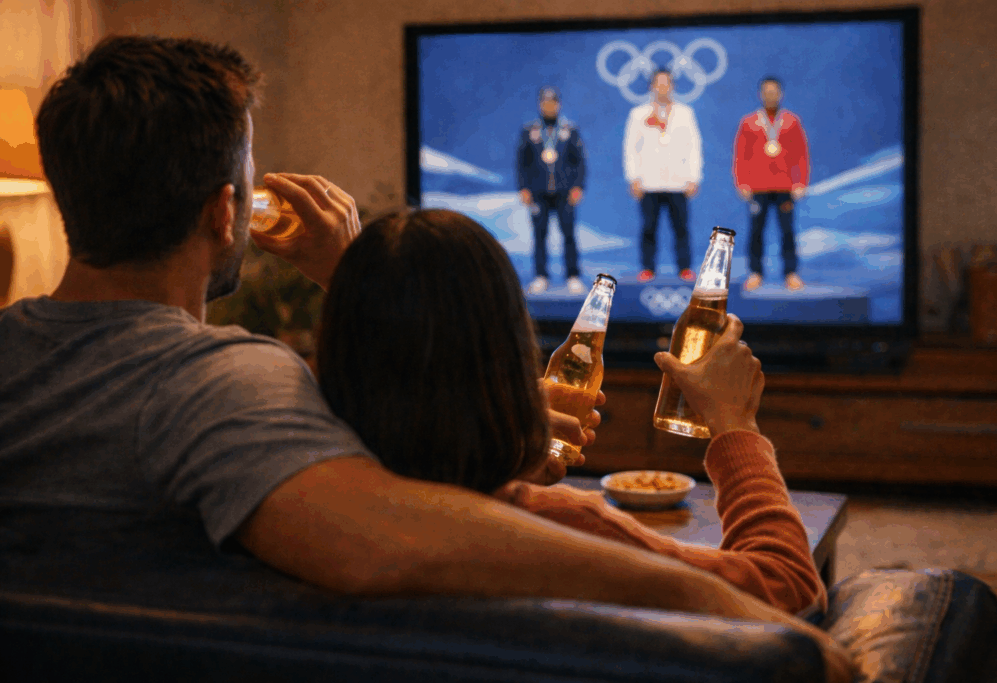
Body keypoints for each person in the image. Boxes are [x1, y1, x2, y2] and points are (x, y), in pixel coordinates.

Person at [0, 35, 854, 683]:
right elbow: (396, 540)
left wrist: (364, 278)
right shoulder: (222, 381)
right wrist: (711, 589)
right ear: (230, 213)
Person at [318, 207, 826, 615]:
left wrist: (499, 444)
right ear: (509, 349)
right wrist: (736, 426)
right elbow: (790, 588)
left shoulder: (310, 506)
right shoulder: (562, 529)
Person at [622, 69, 702, 283]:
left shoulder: (686, 113)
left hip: (678, 182)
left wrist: (694, 177)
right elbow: (631, 147)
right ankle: (648, 268)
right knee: (648, 227)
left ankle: (684, 268)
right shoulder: (638, 114)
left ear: (673, 86)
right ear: (651, 87)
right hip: (649, 182)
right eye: (659, 83)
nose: (663, 87)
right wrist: (633, 177)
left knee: (681, 228)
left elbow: (694, 146)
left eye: (667, 83)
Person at [733, 76, 810, 292]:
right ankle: (755, 273)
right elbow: (741, 154)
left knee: (787, 231)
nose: (770, 95)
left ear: (781, 94)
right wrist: (741, 181)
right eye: (766, 91)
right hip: (758, 187)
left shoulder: (792, 121)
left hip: (785, 186)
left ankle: (791, 273)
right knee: (756, 231)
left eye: (774, 91)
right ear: (760, 94)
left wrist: (801, 181)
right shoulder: (749, 122)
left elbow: (801, 154)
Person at [516, 86, 587, 296]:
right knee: (539, 235)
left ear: (559, 105)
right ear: (540, 105)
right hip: (538, 192)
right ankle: (541, 276)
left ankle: (572, 276)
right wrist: (523, 188)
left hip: (565, 192)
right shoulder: (530, 131)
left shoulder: (569, 130)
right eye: (545, 103)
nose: (549, 106)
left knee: (569, 234)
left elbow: (580, 161)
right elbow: (522, 163)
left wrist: (578, 186)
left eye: (552, 102)